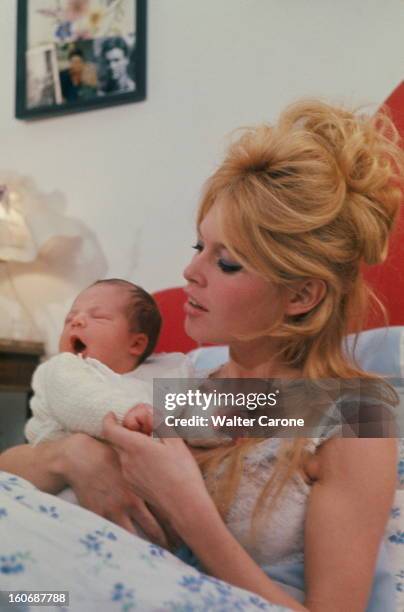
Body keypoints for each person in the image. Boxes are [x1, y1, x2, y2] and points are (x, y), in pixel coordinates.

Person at [1, 99, 403, 611]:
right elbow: (11, 468)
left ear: (302, 295)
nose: (191, 273)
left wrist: (187, 506)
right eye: (199, 247)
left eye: (227, 262)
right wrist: (70, 457)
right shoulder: (186, 378)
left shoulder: (350, 415)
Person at [25, 278, 192, 447]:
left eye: (98, 317)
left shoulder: (166, 371)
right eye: (70, 318)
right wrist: (125, 413)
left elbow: (189, 414)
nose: (76, 321)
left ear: (136, 344)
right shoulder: (62, 369)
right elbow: (80, 398)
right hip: (59, 455)